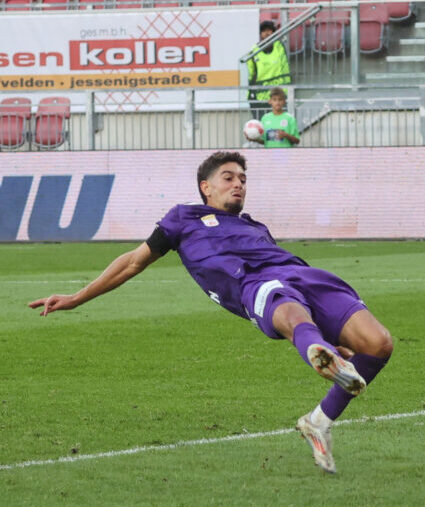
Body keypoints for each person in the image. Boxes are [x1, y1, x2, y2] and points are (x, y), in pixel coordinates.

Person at [28, 151, 392, 475]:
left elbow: (285, 268)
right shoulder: (183, 219)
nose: (239, 185)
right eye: (229, 177)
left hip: (303, 274)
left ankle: (318, 420)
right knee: (290, 310)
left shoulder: (255, 227)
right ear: (206, 187)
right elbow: (132, 262)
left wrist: (334, 341)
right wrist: (77, 298)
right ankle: (322, 356)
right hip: (252, 285)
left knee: (378, 344)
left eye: (243, 179)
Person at [248, 20, 292, 121]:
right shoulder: (254, 50)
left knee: (280, 125)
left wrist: (287, 90)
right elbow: (251, 74)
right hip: (262, 96)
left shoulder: (279, 47)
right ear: (260, 34)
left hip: (279, 95)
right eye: (264, 31)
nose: (267, 33)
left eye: (270, 30)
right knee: (263, 127)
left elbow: (285, 68)